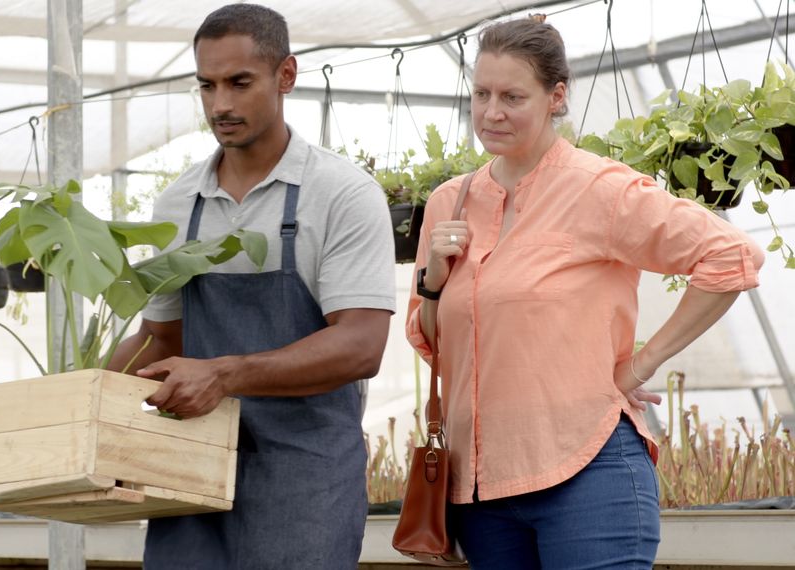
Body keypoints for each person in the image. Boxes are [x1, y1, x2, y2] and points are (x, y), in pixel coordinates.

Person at [406, 17, 766, 570]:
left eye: (512, 96)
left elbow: (731, 257)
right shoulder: (449, 202)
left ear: (556, 97)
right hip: (480, 490)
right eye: (481, 94)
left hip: (589, 472)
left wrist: (642, 365)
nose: (491, 112)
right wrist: (433, 274)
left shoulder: (600, 188)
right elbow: (436, 346)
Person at [107, 4, 396, 569]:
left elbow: (362, 345)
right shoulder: (177, 204)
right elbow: (161, 340)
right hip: (191, 469)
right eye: (207, 85)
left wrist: (222, 374)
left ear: (285, 75)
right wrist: (78, 396)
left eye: (240, 83)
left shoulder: (339, 193)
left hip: (304, 475)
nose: (221, 105)